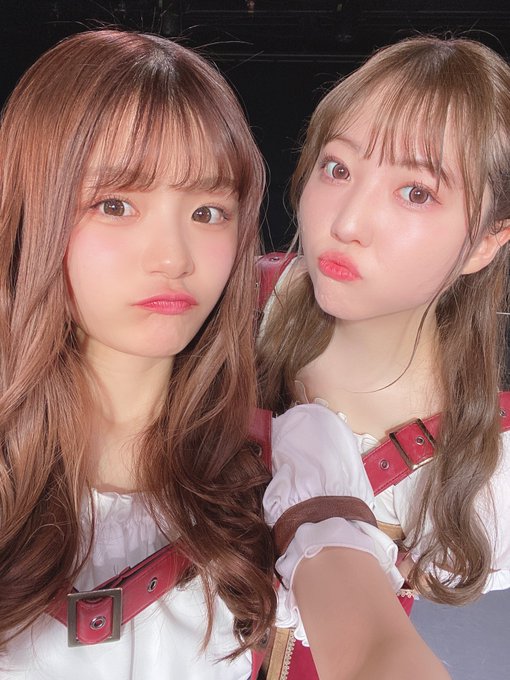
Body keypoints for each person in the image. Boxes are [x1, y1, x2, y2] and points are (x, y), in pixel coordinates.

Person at [0, 29, 449, 680]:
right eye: (115, 205)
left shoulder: (291, 460)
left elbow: (373, 649)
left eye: (208, 212)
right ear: (29, 213)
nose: (173, 258)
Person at [258, 33, 510, 626]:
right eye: (337, 168)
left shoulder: (488, 477)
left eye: (416, 192)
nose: (346, 223)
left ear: (486, 242)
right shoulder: (223, 308)